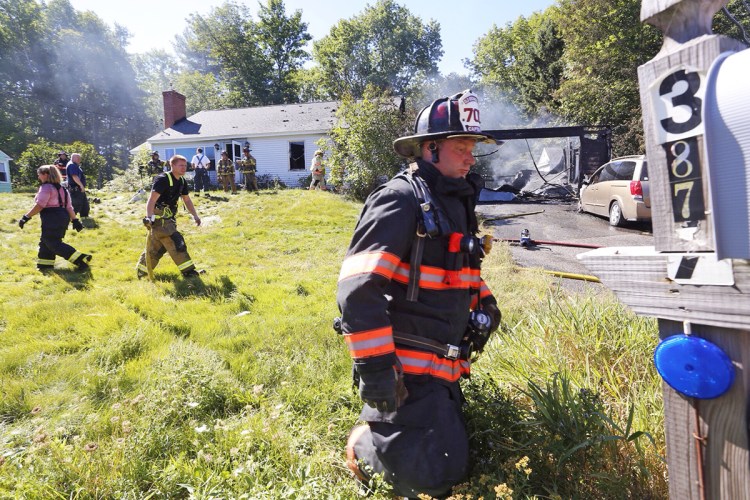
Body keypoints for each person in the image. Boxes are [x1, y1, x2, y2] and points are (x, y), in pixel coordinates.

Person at [336, 90, 502, 498]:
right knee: (430, 479)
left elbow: (454, 270)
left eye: (472, 148)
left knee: (453, 462)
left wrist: (485, 303)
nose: (469, 157)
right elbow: (358, 288)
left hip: (442, 367)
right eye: (460, 147)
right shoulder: (400, 198)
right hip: (407, 371)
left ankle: (385, 429)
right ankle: (363, 442)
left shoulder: (452, 200)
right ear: (430, 149)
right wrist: (377, 370)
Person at [136, 155, 202, 279]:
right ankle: (189, 272)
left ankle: (142, 271)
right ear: (172, 165)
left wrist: (195, 215)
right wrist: (149, 217)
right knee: (176, 242)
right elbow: (151, 199)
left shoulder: (182, 181)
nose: (184, 168)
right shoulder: (162, 179)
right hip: (159, 219)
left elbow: (187, 200)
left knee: (157, 247)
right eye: (181, 165)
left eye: (185, 166)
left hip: (169, 218)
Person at [18, 165, 90, 271]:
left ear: (46, 174)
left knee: (53, 242)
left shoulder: (46, 187)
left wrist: (26, 217)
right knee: (45, 241)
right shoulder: (63, 189)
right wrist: (75, 220)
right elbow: (69, 207)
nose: (38, 177)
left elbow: (40, 205)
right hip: (63, 216)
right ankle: (45, 265)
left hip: (52, 217)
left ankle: (81, 259)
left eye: (39, 174)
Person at [66, 153, 90, 218]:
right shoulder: (72, 165)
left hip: (79, 189)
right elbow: (74, 176)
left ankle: (85, 218)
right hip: (76, 189)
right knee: (76, 205)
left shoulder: (75, 165)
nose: (80, 160)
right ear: (73, 158)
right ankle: (71, 218)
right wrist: (81, 185)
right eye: (78, 158)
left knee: (85, 205)